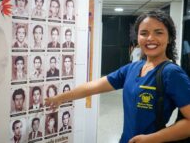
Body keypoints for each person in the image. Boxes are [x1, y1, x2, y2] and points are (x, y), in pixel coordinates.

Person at [45, 10, 190, 143]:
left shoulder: (172, 74)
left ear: (170, 38)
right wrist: (60, 98)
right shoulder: (133, 68)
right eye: (144, 33)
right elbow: (94, 87)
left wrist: (150, 139)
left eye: (158, 32)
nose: (150, 38)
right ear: (138, 37)